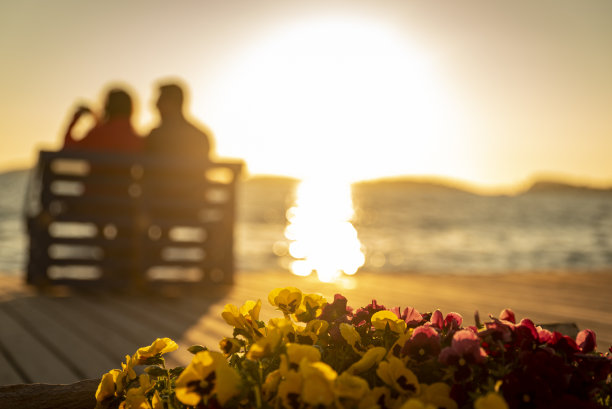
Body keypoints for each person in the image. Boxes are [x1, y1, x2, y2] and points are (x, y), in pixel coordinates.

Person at [145, 81, 213, 161]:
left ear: (174, 103)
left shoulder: (155, 137)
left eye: (160, 100)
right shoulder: (200, 135)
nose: (156, 105)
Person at [63, 87, 143, 152]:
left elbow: (68, 147)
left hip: (95, 172)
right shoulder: (137, 139)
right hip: (123, 172)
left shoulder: (96, 135)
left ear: (107, 107)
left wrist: (77, 116)